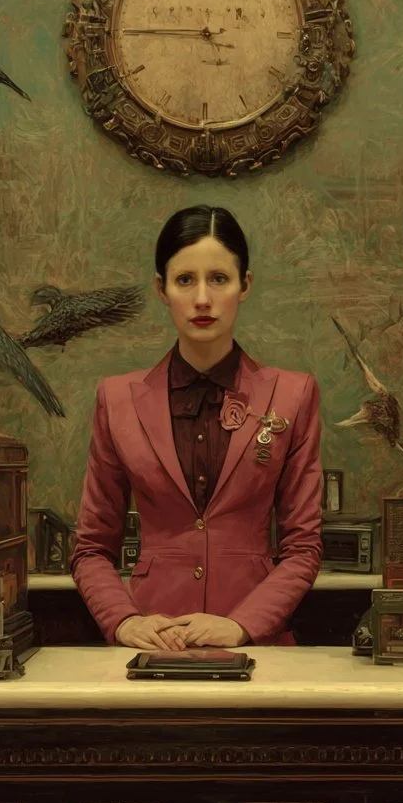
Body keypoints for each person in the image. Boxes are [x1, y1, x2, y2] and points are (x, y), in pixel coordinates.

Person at [71, 206, 322, 650]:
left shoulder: (293, 395)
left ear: (244, 285)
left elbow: (303, 547)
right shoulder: (117, 400)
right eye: (185, 280)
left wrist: (242, 625)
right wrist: (125, 622)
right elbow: (92, 547)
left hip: (257, 647)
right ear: (161, 289)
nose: (202, 299)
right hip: (150, 644)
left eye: (219, 279)